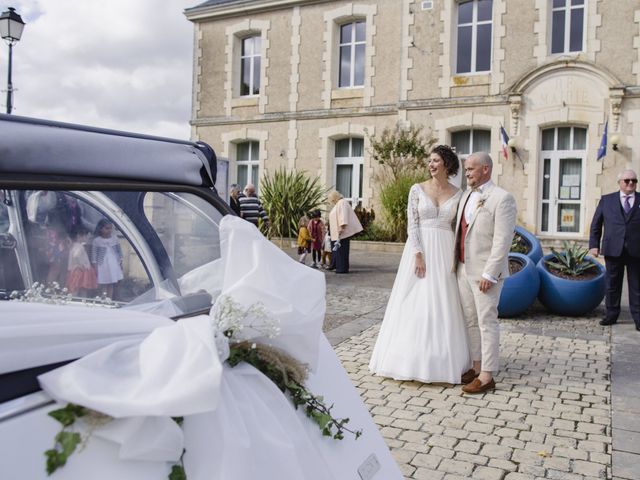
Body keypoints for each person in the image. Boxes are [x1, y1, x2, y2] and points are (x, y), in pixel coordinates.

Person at [369, 145, 471, 384]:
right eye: (430, 161)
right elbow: (412, 224)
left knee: (445, 302)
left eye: (436, 160)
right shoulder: (417, 189)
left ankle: (445, 359)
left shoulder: (459, 194)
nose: (431, 164)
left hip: (445, 251)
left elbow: (459, 228)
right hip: (420, 249)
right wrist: (417, 253)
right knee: (415, 299)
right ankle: (407, 358)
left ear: (447, 164)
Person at [454, 152, 517, 394]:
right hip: (463, 269)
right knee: (470, 321)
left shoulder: (503, 198)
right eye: (466, 168)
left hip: (485, 274)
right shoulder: (467, 195)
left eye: (471, 168)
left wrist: (490, 274)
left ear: (486, 170)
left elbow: (503, 240)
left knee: (486, 322)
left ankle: (488, 375)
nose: (467, 172)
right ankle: (476, 367)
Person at [589, 169, 640, 331]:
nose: (631, 183)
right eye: (627, 180)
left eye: (634, 180)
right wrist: (594, 245)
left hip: (636, 250)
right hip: (613, 249)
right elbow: (596, 224)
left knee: (637, 286)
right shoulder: (607, 200)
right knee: (612, 284)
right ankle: (611, 315)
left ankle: (638, 318)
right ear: (619, 182)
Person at [327, 191, 362, 274]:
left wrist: (342, 227)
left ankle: (341, 268)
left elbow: (343, 216)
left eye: (331, 200)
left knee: (341, 251)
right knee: (338, 251)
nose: (331, 202)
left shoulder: (342, 203)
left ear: (334, 198)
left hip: (341, 233)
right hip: (337, 233)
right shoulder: (339, 203)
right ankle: (336, 266)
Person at [91, 219, 124, 299]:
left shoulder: (115, 239)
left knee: (111, 282)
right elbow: (94, 254)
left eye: (110, 228)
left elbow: (119, 251)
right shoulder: (97, 241)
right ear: (101, 229)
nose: (109, 230)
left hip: (113, 263)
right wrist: (95, 265)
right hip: (102, 265)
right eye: (106, 228)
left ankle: (109, 299)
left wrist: (120, 262)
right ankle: (103, 298)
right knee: (104, 283)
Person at [66, 225, 97, 297]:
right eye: (85, 236)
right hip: (80, 271)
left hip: (77, 270)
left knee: (78, 287)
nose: (87, 238)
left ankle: (77, 301)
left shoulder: (74, 245)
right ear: (79, 236)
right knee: (78, 288)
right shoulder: (79, 247)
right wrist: (82, 265)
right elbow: (76, 255)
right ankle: (80, 301)